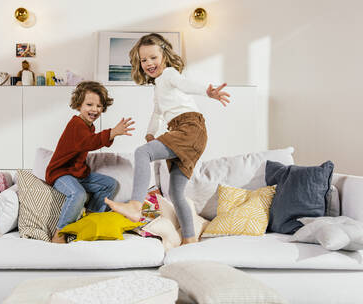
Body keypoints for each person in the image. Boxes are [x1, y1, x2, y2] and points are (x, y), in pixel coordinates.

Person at [105, 33, 230, 245]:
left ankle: (136, 205)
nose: (149, 63)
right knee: (175, 192)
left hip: (189, 128)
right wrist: (150, 134)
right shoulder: (158, 86)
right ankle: (190, 240)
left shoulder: (170, 74)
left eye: (153, 57)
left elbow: (185, 84)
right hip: (185, 131)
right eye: (144, 60)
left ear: (165, 55)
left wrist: (207, 92)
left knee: (141, 153)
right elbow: (157, 113)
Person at [45, 81, 135, 243]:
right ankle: (60, 233)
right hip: (60, 173)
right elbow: (89, 142)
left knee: (110, 184)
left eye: (99, 106)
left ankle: (91, 217)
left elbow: (92, 140)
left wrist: (112, 135)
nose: (94, 109)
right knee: (77, 194)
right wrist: (112, 132)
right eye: (89, 104)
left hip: (77, 172)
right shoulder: (76, 124)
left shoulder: (89, 126)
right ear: (79, 105)